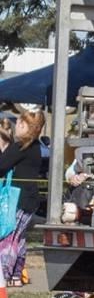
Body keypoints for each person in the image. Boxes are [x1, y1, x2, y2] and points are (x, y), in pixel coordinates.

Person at [0, 106, 47, 286]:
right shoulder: (35, 147)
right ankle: (16, 276)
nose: (17, 125)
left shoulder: (19, 146)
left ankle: (5, 274)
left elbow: (1, 167)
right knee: (19, 238)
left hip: (16, 198)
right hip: (30, 198)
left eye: (21, 122)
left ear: (28, 127)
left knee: (8, 236)